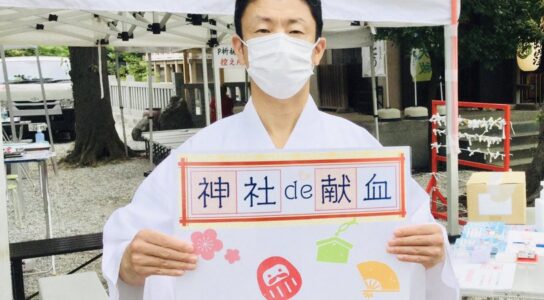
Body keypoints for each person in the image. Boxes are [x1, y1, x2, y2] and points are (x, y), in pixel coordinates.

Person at [101, 0, 459, 299]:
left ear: (317, 49)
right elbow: (127, 247)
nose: (280, 41)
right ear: (240, 48)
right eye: (263, 30)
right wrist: (131, 263)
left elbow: (418, 236)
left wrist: (433, 251)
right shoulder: (199, 158)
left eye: (295, 30)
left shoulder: (360, 151)